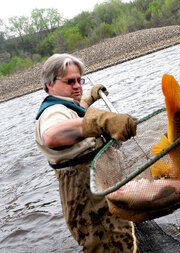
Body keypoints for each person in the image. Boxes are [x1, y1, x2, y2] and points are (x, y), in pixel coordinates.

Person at [35, 53, 138, 252]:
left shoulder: (65, 105)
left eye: (79, 80)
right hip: (88, 202)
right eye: (69, 81)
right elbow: (52, 135)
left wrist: (89, 98)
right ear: (49, 84)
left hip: (99, 193)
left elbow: (76, 110)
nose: (76, 86)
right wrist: (102, 121)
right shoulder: (51, 113)